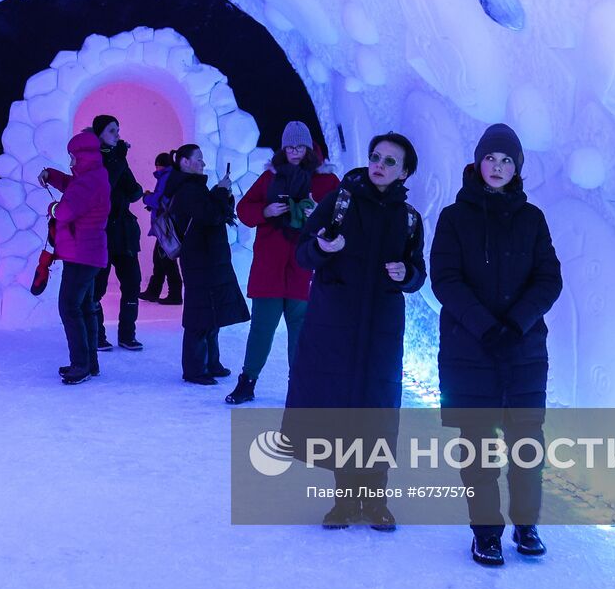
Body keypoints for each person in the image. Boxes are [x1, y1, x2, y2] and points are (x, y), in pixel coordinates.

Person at [431, 123, 562, 566]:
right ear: (477, 162)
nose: (498, 167)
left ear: (517, 167)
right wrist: (487, 327)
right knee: (479, 449)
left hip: (524, 353)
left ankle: (527, 526)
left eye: (507, 160)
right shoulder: (454, 217)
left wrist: (516, 323)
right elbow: (445, 279)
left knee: (528, 448)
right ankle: (485, 532)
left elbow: (549, 279)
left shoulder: (533, 219)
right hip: (471, 351)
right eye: (491, 158)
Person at [284, 132, 426, 531]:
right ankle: (345, 501)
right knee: (341, 406)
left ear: (405, 171)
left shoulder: (409, 217)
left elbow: (418, 271)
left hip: (381, 326)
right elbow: (303, 251)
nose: (380, 164)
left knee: (377, 409)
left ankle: (376, 499)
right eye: (376, 156)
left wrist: (407, 274)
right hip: (337, 323)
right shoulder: (339, 201)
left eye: (391, 161)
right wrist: (323, 249)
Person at [226, 121, 339, 404]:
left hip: (304, 267)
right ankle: (247, 381)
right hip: (270, 267)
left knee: (301, 331)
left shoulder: (325, 182)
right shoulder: (269, 177)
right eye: (290, 146)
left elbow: (341, 217)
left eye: (300, 146)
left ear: (309, 147)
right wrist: (265, 210)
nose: (295, 151)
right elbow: (244, 211)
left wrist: (318, 213)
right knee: (262, 328)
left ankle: (299, 386)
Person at [164, 144, 250, 385]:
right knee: (199, 315)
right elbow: (209, 216)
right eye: (198, 159)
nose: (203, 163)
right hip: (200, 260)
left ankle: (211, 362)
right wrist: (221, 192)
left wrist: (221, 193)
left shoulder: (192, 188)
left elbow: (214, 213)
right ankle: (194, 369)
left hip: (207, 259)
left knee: (211, 313)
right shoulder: (188, 189)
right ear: (184, 162)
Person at [39, 130, 111, 385]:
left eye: (72, 158)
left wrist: (52, 208)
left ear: (84, 157)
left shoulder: (91, 182)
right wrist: (53, 176)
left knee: (69, 307)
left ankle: (81, 365)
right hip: (87, 254)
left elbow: (66, 210)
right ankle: (89, 363)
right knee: (84, 308)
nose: (70, 163)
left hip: (82, 254)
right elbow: (73, 187)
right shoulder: (92, 177)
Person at [89, 115, 144, 351]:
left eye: (118, 130)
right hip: (102, 233)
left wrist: (120, 161)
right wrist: (118, 160)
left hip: (124, 233)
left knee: (132, 283)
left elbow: (134, 193)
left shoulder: (118, 159)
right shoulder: (92, 158)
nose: (117, 135)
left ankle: (127, 334)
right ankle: (97, 334)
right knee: (97, 287)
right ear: (99, 133)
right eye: (112, 131)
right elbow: (104, 186)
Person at [139, 151, 183, 305]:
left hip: (165, 227)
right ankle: (154, 291)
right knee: (159, 260)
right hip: (166, 226)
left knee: (166, 260)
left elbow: (159, 200)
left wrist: (146, 198)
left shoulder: (165, 177)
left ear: (160, 166)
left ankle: (175, 294)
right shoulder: (173, 176)